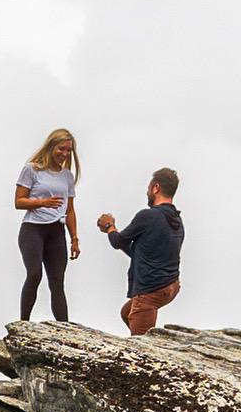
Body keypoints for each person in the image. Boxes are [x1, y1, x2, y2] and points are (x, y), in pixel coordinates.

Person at [97, 169, 184, 334]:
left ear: (155, 188)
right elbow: (140, 252)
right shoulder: (177, 220)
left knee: (141, 345)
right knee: (126, 313)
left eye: (148, 187)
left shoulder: (148, 216)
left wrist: (109, 226)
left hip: (150, 289)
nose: (147, 191)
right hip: (171, 285)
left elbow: (117, 241)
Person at [13, 127, 81, 320]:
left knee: (57, 282)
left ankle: (65, 329)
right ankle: (23, 323)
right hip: (33, 229)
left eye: (68, 150)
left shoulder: (66, 176)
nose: (64, 154)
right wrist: (42, 202)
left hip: (56, 231)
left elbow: (69, 210)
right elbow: (19, 201)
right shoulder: (32, 169)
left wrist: (74, 238)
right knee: (34, 274)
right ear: (51, 147)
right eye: (61, 149)